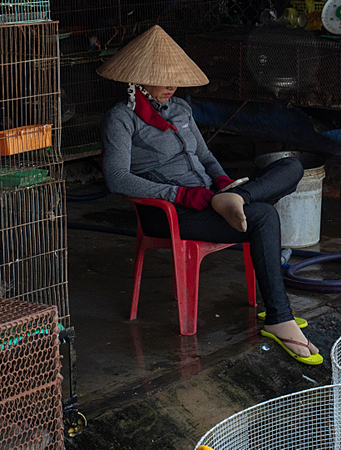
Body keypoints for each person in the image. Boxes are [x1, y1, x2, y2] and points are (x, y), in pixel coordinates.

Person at [98, 26, 321, 365]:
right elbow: (116, 178)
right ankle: (279, 317)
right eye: (162, 79)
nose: (171, 85)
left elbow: (205, 158)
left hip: (212, 198)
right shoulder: (122, 119)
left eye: (174, 78)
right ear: (139, 79)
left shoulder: (181, 111)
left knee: (291, 166)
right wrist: (184, 196)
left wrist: (224, 184)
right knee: (263, 216)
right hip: (176, 213)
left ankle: (237, 199)